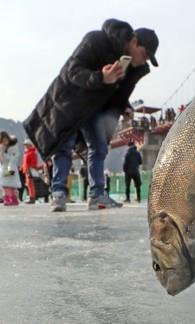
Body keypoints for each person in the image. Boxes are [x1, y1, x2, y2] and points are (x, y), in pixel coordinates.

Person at [23, 19, 159, 212]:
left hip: (95, 107)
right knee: (64, 144)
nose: (143, 61)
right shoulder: (96, 40)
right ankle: (58, 193)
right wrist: (100, 77)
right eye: (144, 55)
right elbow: (72, 71)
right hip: (70, 102)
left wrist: (124, 106)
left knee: (99, 147)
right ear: (134, 41)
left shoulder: (131, 66)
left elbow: (116, 93)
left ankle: (97, 194)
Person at [0, 132, 21, 206]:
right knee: (8, 185)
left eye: (6, 140)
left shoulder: (12, 147)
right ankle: (13, 199)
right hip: (7, 168)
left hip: (10, 168)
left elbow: (13, 157)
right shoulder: (2, 147)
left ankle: (9, 199)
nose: (5, 142)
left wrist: (4, 155)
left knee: (8, 185)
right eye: (3, 140)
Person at [22, 139, 39, 204]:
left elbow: (33, 162)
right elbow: (25, 162)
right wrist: (23, 168)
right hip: (27, 171)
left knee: (30, 184)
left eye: (27, 145)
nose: (25, 146)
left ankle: (32, 197)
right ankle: (31, 197)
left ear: (30, 145)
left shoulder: (31, 153)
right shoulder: (27, 152)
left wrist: (30, 168)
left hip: (30, 171)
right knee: (28, 184)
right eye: (25, 145)